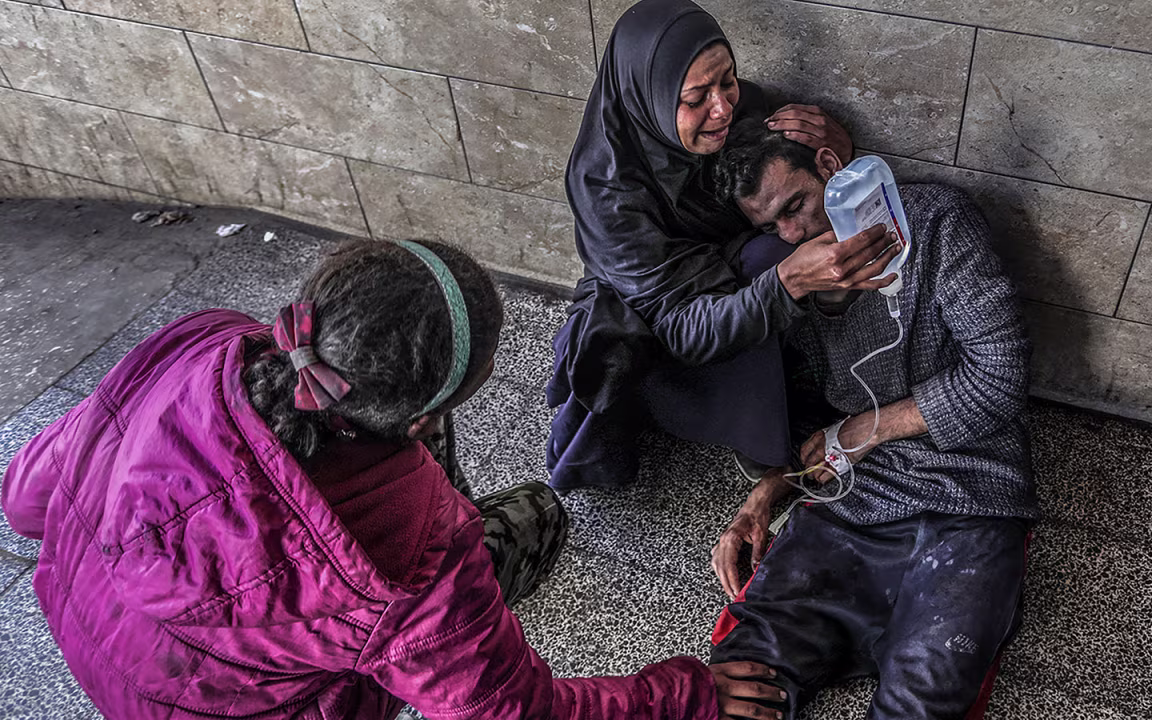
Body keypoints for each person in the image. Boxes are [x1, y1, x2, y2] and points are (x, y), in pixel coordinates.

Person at [2, 238, 785, 720]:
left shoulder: (207, 343)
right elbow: (512, 712)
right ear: (420, 421)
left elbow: (25, 499)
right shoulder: (414, 557)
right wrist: (688, 694)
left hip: (90, 633)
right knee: (540, 512)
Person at [705, 117, 1040, 719]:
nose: (793, 234)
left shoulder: (935, 222)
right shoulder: (792, 279)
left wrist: (868, 429)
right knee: (743, 675)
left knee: (924, 691)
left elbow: (1002, 374)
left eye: (796, 206)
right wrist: (765, 496)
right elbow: (809, 421)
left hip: (970, 496)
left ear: (830, 170)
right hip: (854, 501)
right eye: (772, 226)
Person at [546, 0, 901, 490]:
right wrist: (788, 281)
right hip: (663, 320)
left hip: (728, 268)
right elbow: (680, 326)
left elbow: (778, 185)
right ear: (650, 98)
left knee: (784, 245)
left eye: (728, 80)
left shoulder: (738, 112)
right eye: (696, 98)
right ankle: (751, 434)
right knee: (777, 261)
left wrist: (835, 156)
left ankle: (809, 388)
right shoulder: (607, 192)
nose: (723, 109)